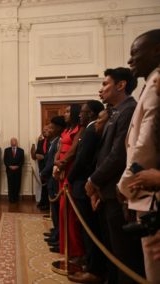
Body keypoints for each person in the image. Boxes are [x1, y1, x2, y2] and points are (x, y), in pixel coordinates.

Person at [85, 67, 144, 283]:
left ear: (121, 85)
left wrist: (93, 180)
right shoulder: (117, 111)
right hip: (106, 191)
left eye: (105, 84)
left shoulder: (129, 110)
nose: (101, 88)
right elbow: (105, 152)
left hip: (117, 193)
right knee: (112, 249)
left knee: (124, 255)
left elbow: (118, 155)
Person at [117, 29, 160, 283]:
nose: (131, 60)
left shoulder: (156, 84)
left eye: (135, 54)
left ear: (156, 50)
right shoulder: (150, 84)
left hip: (148, 189)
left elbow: (144, 145)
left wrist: (125, 186)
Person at [67, 100, 106, 283]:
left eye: (83, 112)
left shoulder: (91, 131)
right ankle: (88, 262)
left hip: (83, 185)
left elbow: (82, 161)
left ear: (91, 113)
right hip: (82, 184)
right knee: (85, 228)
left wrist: (70, 178)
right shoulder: (90, 129)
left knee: (89, 229)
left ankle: (93, 269)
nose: (79, 115)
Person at [54, 104, 85, 259]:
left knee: (69, 210)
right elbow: (59, 149)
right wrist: (56, 163)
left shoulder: (79, 128)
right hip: (61, 168)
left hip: (69, 168)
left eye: (67, 111)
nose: (64, 114)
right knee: (62, 210)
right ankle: (64, 245)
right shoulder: (66, 129)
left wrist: (62, 164)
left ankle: (76, 250)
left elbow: (74, 149)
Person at [40, 116, 66, 253]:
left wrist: (43, 172)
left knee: (57, 210)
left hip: (54, 179)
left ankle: (58, 236)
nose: (48, 130)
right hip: (51, 179)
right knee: (54, 211)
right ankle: (56, 233)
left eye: (51, 127)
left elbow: (51, 163)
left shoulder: (58, 141)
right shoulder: (53, 141)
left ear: (58, 128)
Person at [32, 126, 49, 210]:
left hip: (48, 165)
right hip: (41, 166)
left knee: (48, 185)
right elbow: (37, 152)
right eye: (43, 130)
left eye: (46, 130)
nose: (44, 131)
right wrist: (36, 155)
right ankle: (43, 201)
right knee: (43, 184)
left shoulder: (52, 141)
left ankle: (47, 203)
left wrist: (43, 157)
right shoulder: (40, 141)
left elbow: (50, 154)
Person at [4, 137, 24, 203]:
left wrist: (16, 166)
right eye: (12, 141)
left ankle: (16, 198)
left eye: (14, 141)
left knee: (17, 184)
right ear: (10, 143)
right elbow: (5, 160)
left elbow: (22, 161)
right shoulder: (6, 150)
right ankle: (11, 198)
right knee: (10, 184)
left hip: (18, 171)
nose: (13, 142)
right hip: (9, 170)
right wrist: (10, 166)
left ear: (16, 142)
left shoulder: (21, 150)